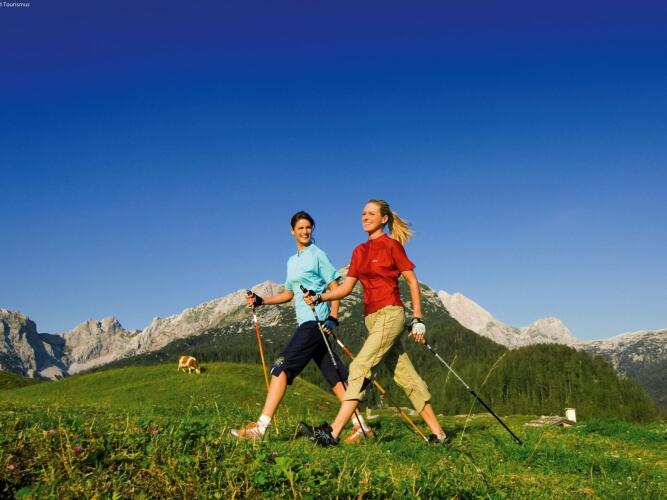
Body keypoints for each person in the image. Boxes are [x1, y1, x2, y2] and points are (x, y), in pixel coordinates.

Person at [301, 199, 449, 446]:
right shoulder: (359, 251)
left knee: (360, 367)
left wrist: (418, 318)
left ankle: (332, 433)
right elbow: (346, 288)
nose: (365, 217)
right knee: (405, 374)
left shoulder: (392, 246)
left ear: (384, 219)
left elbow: (412, 281)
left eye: (371, 213)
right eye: (363, 213)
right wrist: (319, 297)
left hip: (391, 314)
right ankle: (440, 435)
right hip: (372, 319)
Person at [231, 211, 371, 442]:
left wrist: (333, 317)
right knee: (335, 376)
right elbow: (289, 294)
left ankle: (260, 428)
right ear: (292, 231)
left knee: (280, 367)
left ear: (312, 229)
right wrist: (262, 301)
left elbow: (336, 288)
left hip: (315, 323)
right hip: (308, 324)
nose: (305, 232)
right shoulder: (292, 261)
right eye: (300, 228)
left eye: (308, 227)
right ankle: (361, 426)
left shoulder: (318, 255)